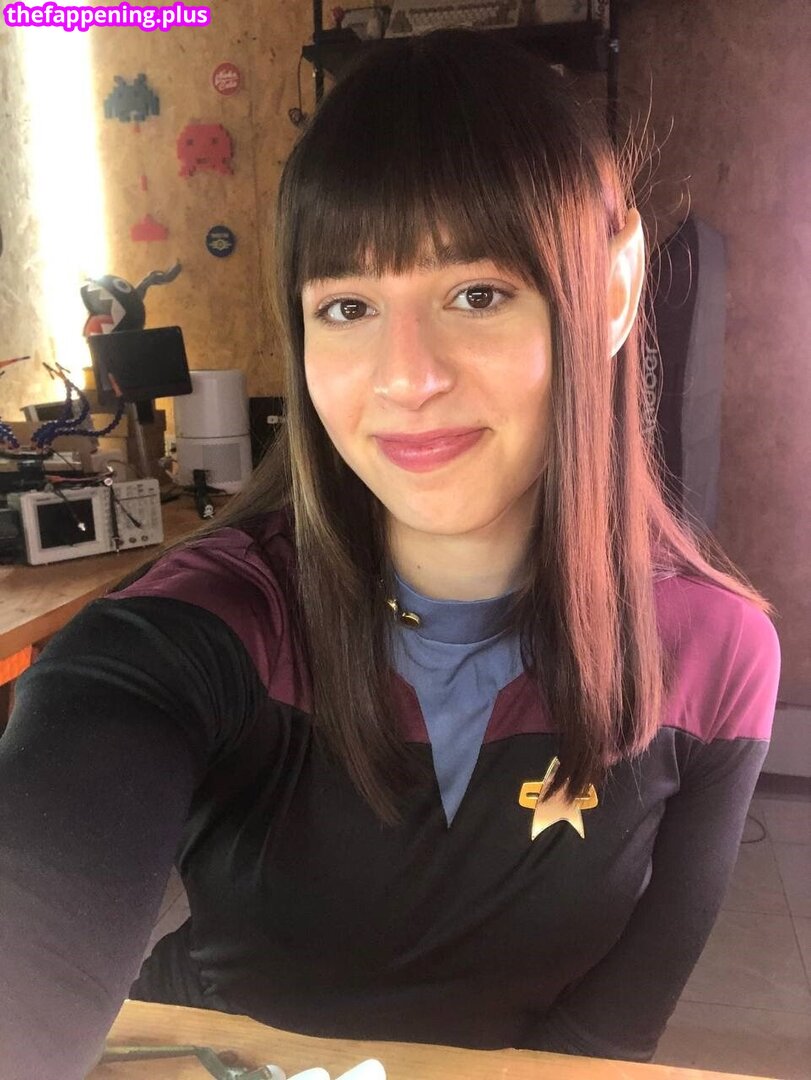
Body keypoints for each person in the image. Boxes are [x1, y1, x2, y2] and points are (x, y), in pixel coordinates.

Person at [0, 27, 781, 1080]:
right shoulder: (209, 628)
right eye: (348, 307)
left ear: (608, 288)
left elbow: (611, 1033)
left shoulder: (716, 655)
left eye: (477, 293)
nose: (406, 377)